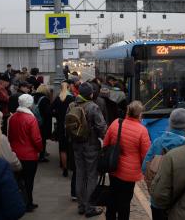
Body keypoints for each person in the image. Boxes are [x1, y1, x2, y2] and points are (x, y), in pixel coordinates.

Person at [103, 101, 151, 220]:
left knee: (112, 196)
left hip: (113, 167)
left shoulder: (116, 123)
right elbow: (146, 155)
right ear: (140, 115)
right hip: (129, 173)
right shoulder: (142, 131)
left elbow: (105, 143)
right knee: (124, 202)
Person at [141, 108, 185, 220]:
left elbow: (144, 168)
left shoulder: (158, 142)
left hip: (158, 201)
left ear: (170, 122)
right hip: (179, 202)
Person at [71, 82, 107, 217]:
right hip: (91, 145)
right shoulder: (93, 107)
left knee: (80, 174)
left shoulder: (72, 105)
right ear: (91, 94)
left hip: (76, 145)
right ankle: (90, 207)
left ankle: (81, 205)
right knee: (92, 175)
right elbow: (102, 127)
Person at [8, 94, 43, 212]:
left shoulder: (12, 118)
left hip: (15, 153)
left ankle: (17, 201)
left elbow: (10, 136)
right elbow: (36, 139)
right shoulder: (31, 119)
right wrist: (40, 150)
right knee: (29, 180)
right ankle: (28, 203)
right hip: (29, 155)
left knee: (17, 180)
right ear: (30, 104)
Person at [51, 81, 75, 177]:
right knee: (71, 147)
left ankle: (64, 169)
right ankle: (71, 166)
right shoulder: (71, 98)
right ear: (69, 87)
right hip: (70, 126)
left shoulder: (58, 98)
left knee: (63, 149)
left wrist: (57, 115)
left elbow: (49, 110)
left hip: (61, 125)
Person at [33, 84, 52, 162]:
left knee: (34, 138)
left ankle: (34, 154)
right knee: (42, 140)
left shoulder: (32, 97)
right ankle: (41, 156)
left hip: (33, 121)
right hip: (42, 123)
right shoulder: (45, 99)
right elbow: (47, 113)